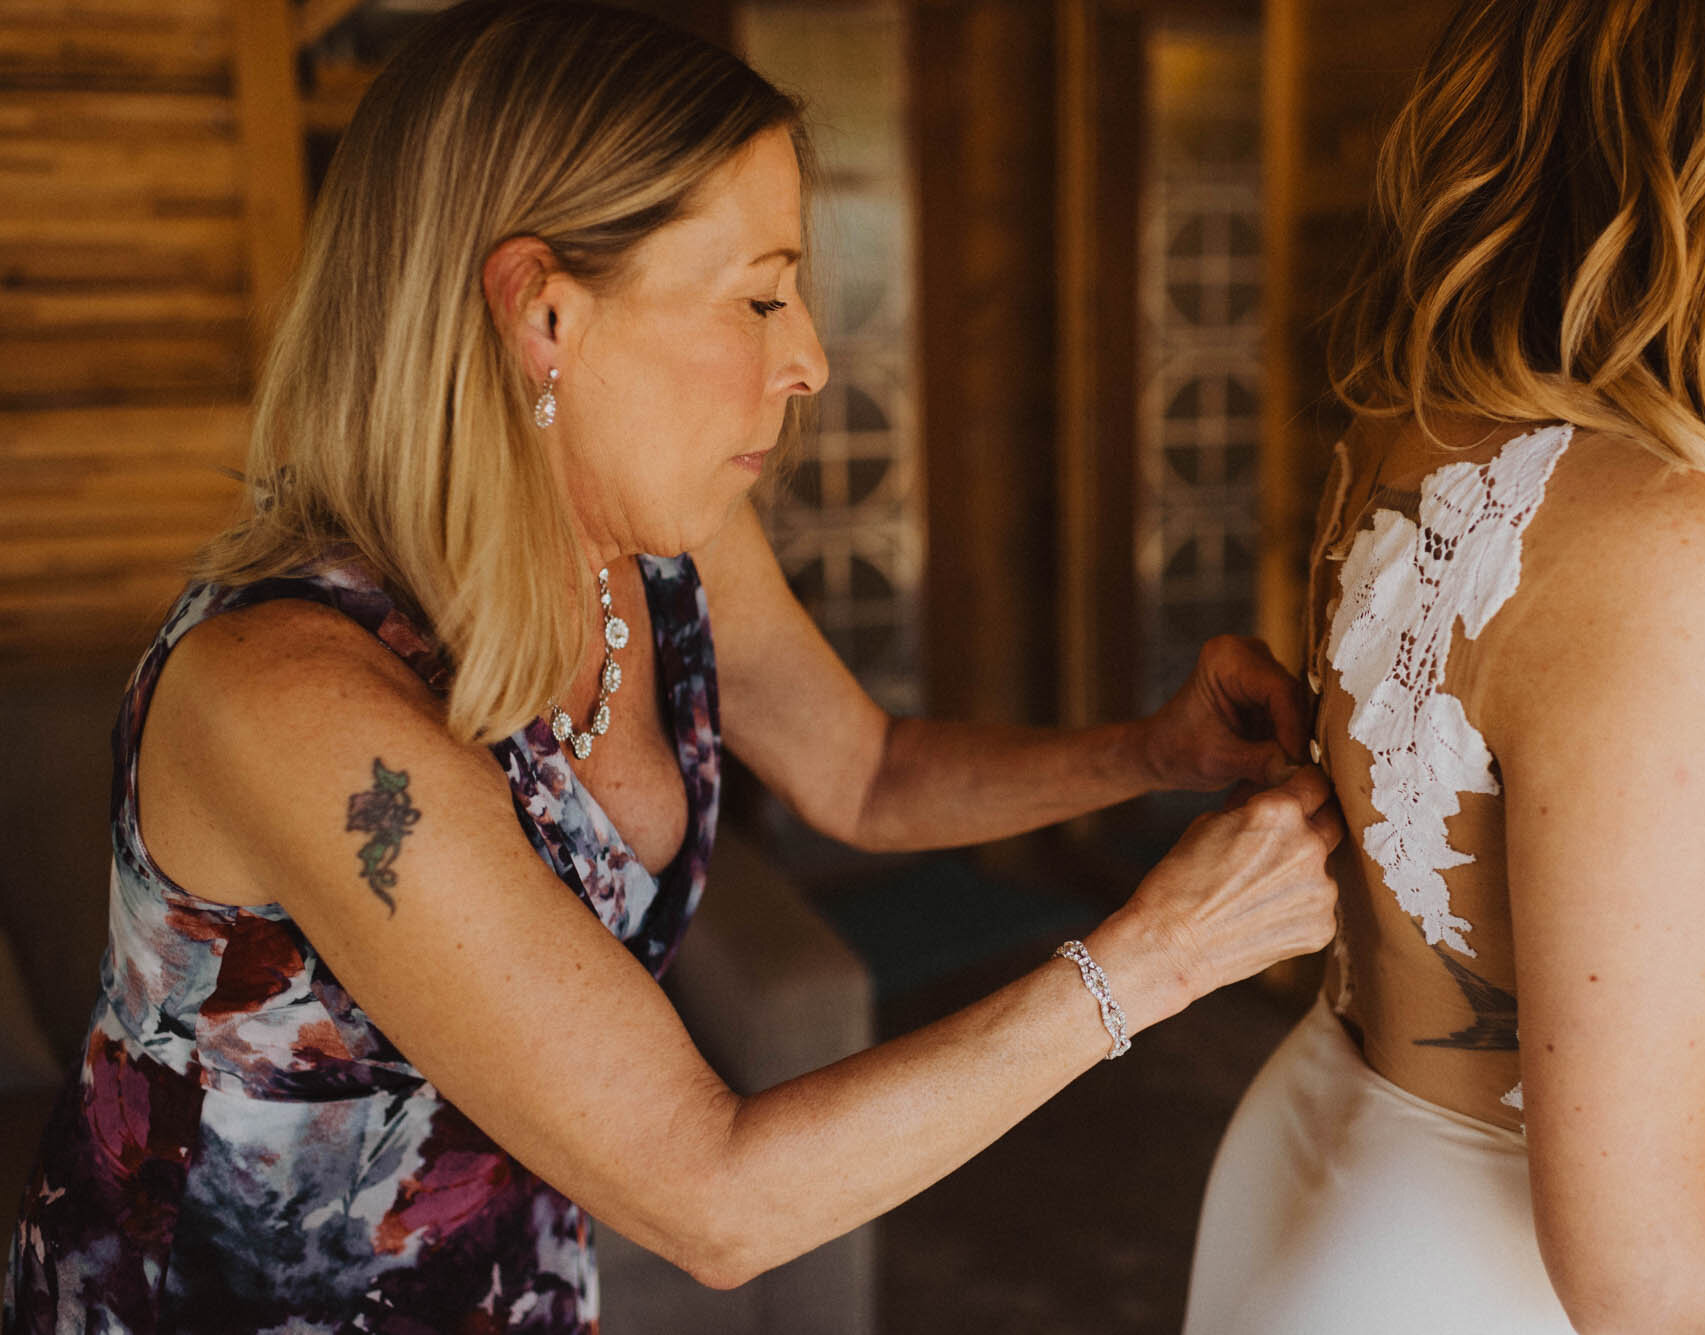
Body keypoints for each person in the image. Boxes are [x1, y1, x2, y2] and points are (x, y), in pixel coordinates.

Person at [1, 4, 1343, 1330]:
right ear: (545, 317)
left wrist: (1153, 756)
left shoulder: (652, 541)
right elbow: (714, 1198)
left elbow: (863, 772)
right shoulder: (295, 703)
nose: (809, 358)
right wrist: (1167, 954)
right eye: (760, 295)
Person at [1182, 1, 1705, 1332]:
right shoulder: (1651, 539)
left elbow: (1576, 1005)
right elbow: (1655, 1275)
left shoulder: (1429, 429)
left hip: (1339, 1182)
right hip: (1462, 1289)